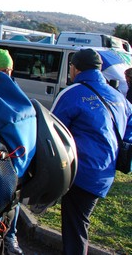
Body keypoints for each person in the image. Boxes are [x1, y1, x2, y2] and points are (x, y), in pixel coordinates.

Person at [51, 48, 132, 255]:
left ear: (75, 68)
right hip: (105, 173)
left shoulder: (73, 93)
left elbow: (51, 132)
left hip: (80, 172)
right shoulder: (119, 97)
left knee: (76, 228)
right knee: (80, 223)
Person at [0, 49, 23, 255]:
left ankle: (10, 236)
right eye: (2, 70)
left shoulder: (15, 92)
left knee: (12, 202)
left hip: (8, 159)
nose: (7, 75)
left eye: (9, 70)